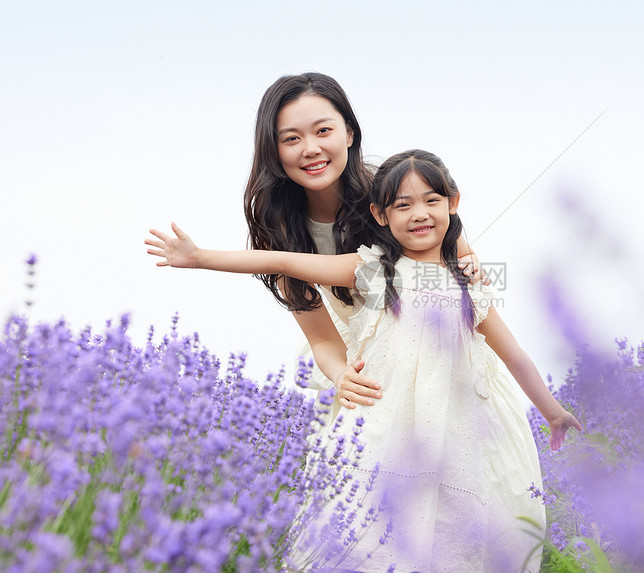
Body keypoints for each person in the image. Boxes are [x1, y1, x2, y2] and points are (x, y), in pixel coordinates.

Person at [146, 149, 582, 572]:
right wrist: (199, 258)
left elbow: (514, 354)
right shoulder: (371, 269)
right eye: (403, 205)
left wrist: (553, 411)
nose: (419, 214)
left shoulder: (470, 285)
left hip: (455, 426)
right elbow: (283, 259)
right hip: (383, 419)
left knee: (455, 524)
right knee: (367, 520)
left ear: (453, 203)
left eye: (432, 200)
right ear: (380, 215)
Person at [241, 73, 485, 412]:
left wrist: (471, 262)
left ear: (349, 133)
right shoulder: (280, 229)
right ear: (274, 149)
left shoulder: (390, 194)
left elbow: (460, 256)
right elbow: (321, 337)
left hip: (431, 344)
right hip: (354, 352)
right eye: (292, 138)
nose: (311, 148)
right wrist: (343, 376)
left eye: (323, 131)